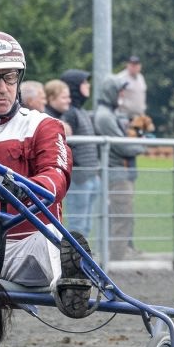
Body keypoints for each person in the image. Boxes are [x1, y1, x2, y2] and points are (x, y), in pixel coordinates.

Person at [0, 30, 92, 320]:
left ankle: (71, 282)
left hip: (27, 247)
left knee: (55, 241)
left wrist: (30, 187)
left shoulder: (43, 126)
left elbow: (56, 174)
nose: (3, 88)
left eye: (10, 77)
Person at [93, 75, 145, 260]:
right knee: (121, 217)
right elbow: (121, 145)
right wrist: (142, 145)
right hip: (117, 173)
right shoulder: (105, 116)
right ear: (112, 92)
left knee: (123, 216)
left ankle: (117, 256)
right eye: (120, 91)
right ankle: (116, 259)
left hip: (119, 172)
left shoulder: (109, 114)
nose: (122, 94)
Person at [59, 69, 100, 237]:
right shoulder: (70, 113)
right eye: (84, 83)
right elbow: (67, 144)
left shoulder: (82, 111)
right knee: (78, 225)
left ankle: (83, 260)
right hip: (79, 177)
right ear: (75, 87)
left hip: (90, 175)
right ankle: (74, 261)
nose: (88, 86)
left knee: (86, 225)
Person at [115, 55, 147, 120]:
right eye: (132, 65)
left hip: (139, 117)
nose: (134, 67)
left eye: (136, 65)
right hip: (124, 116)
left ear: (140, 66)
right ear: (127, 65)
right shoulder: (120, 78)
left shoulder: (141, 77)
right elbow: (115, 95)